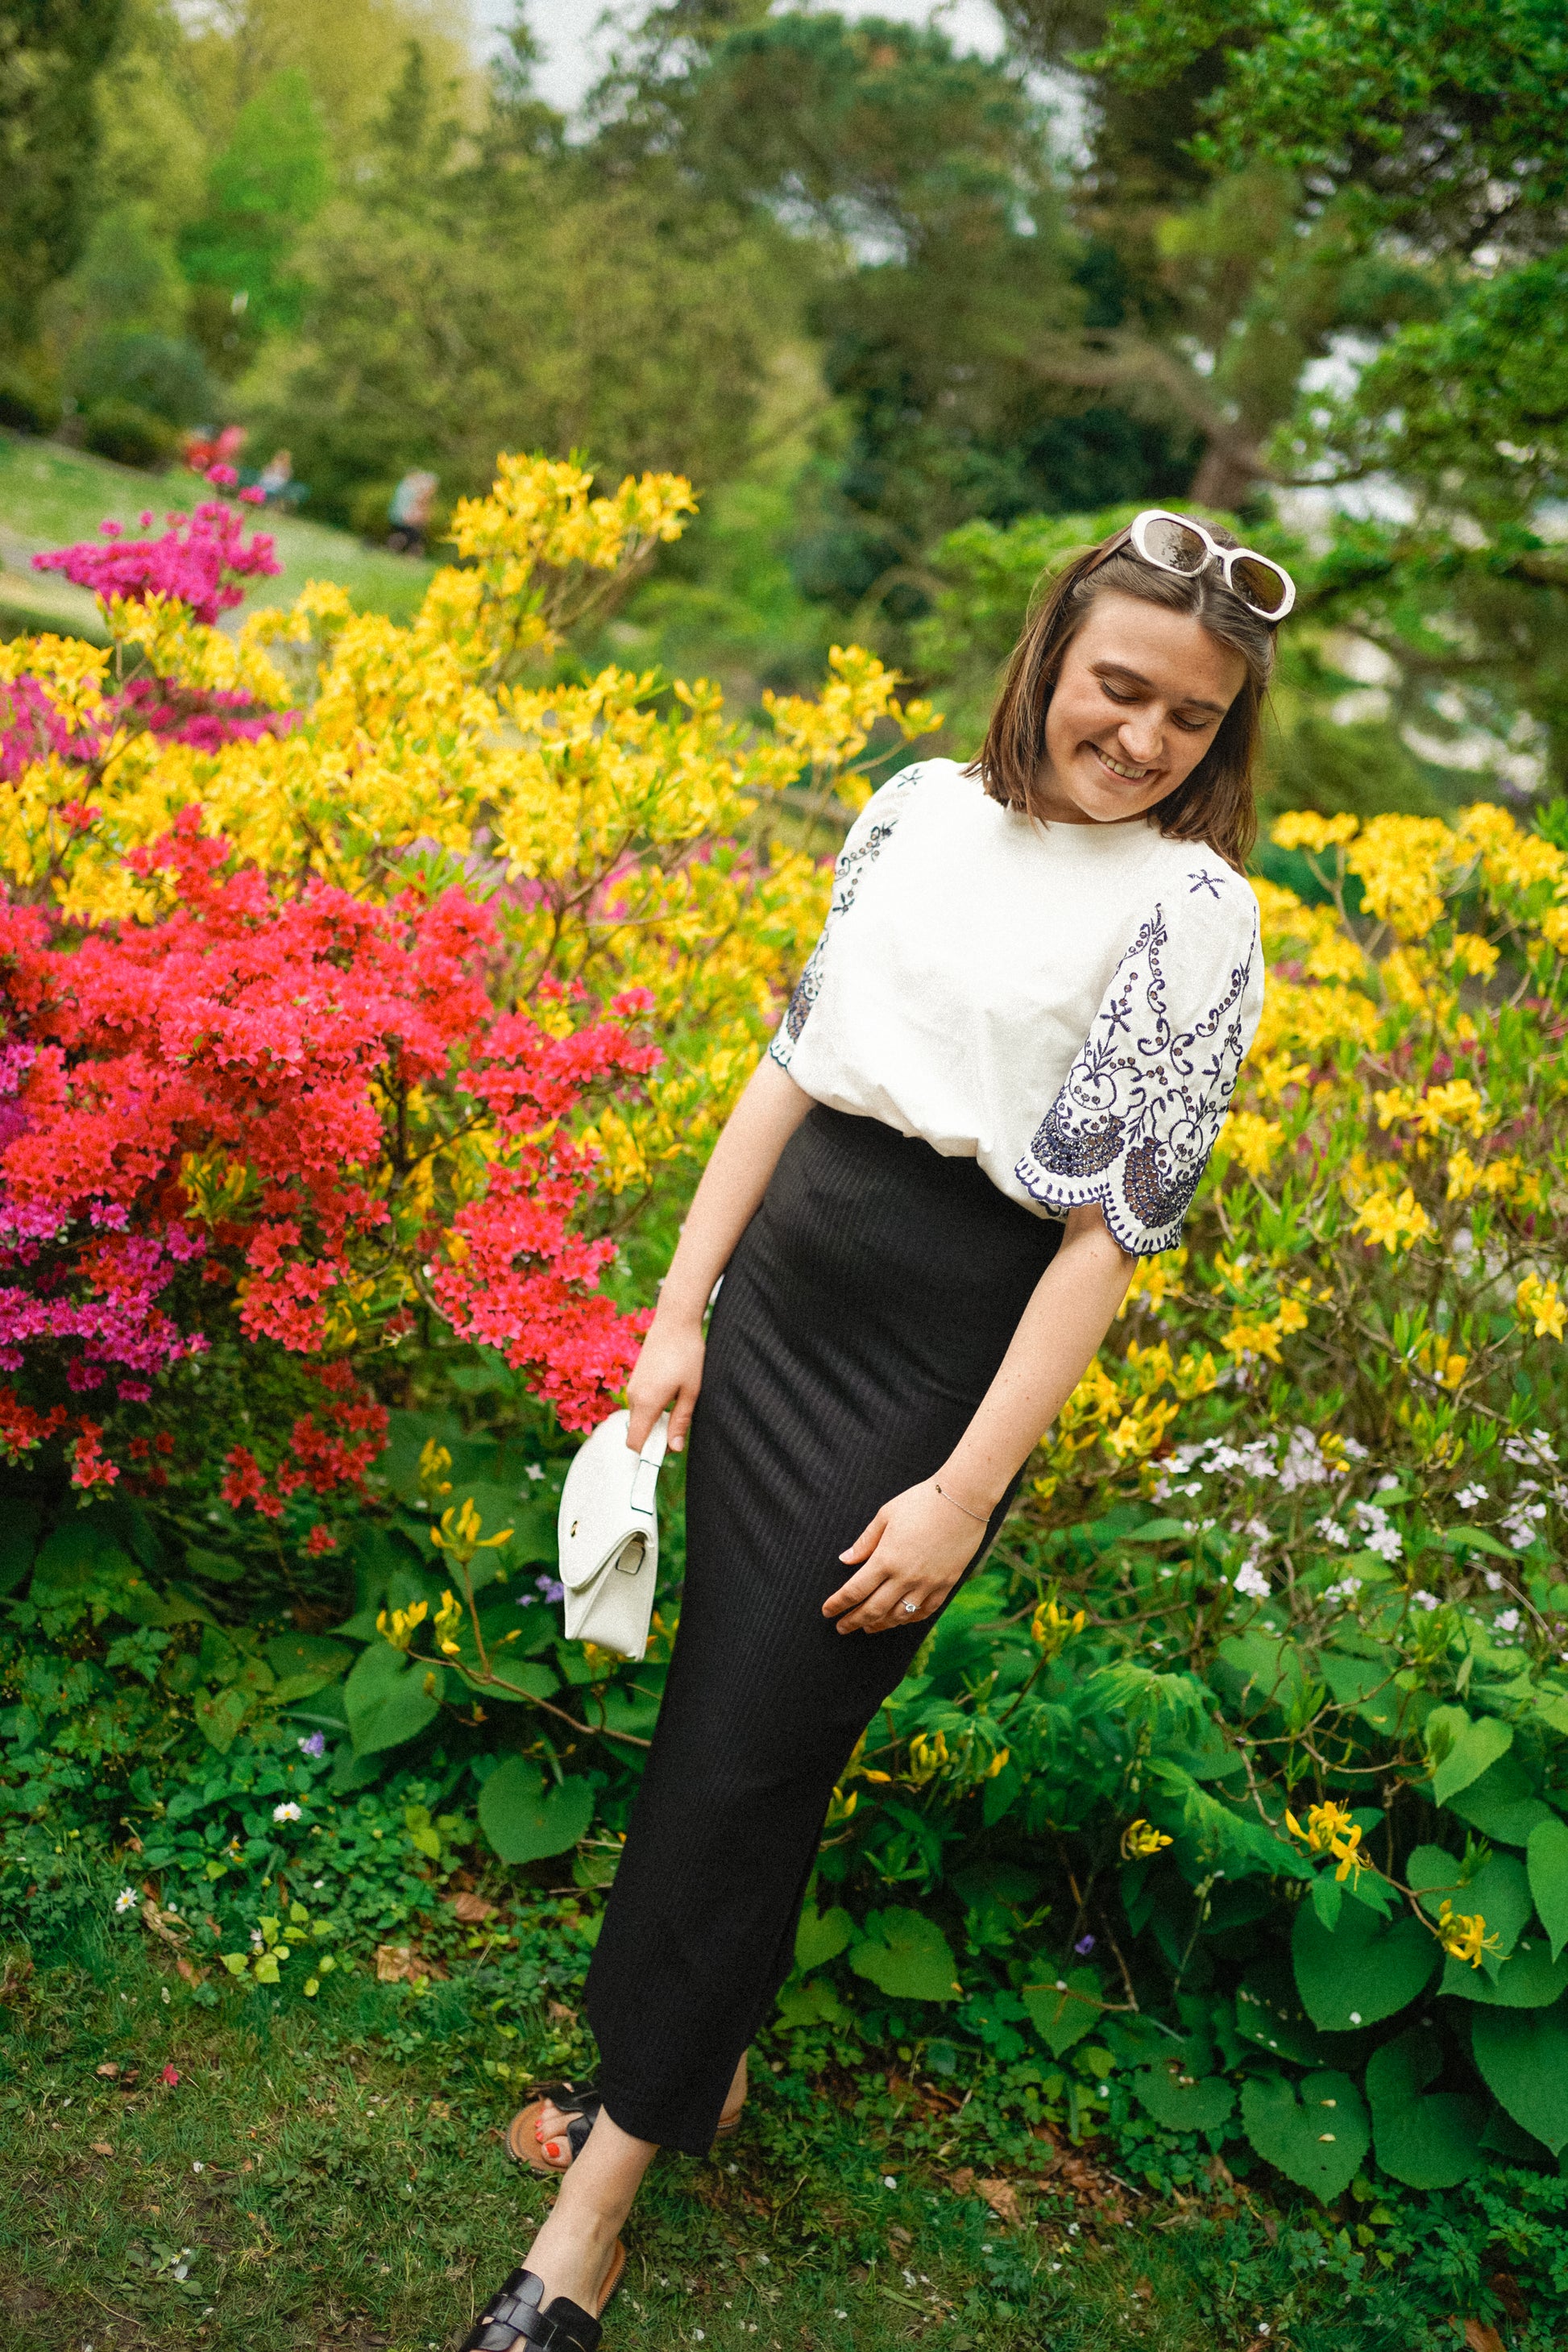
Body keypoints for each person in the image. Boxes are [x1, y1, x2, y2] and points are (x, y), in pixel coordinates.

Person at [461, 511, 1295, 2352]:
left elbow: (1106, 1239)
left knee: (751, 1754)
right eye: (1118, 687)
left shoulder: (1194, 912)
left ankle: (588, 2216)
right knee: (721, 1722)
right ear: (1048, 658)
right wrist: (679, 1308)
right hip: (781, 1290)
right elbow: (793, 1057)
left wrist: (960, 1491)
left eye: (1192, 716)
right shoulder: (915, 806)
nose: (1145, 737)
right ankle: (688, 2062)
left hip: (933, 1359)